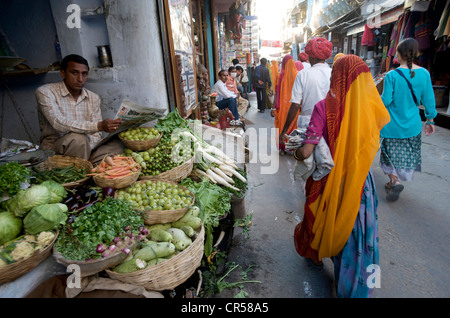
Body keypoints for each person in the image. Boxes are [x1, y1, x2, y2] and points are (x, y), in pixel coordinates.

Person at [293, 55, 391, 298]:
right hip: (361, 184)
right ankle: (359, 287)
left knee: (327, 222)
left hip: (330, 182)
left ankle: (318, 258)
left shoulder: (323, 107)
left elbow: (307, 150)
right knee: (360, 238)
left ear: (336, 76)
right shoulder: (369, 108)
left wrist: (295, 151)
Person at [36, 54, 123, 165]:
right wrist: (99, 126)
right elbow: (57, 122)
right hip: (56, 149)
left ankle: (85, 164)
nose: (80, 79)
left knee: (117, 144)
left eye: (84, 74)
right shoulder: (46, 92)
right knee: (78, 139)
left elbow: (96, 135)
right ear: (63, 73)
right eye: (74, 73)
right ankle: (82, 172)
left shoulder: (93, 98)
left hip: (85, 147)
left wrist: (87, 148)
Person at [379, 37, 437, 202]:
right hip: (412, 126)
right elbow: (429, 100)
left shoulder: (392, 75)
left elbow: (386, 101)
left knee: (388, 155)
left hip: (391, 126)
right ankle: (396, 180)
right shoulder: (424, 74)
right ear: (416, 53)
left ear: (398, 54)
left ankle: (393, 180)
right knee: (405, 156)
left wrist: (372, 101)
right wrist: (430, 120)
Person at [279, 37, 333, 145]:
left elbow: (295, 105)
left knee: (306, 158)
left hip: (308, 123)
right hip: (329, 123)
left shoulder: (303, 74)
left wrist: (284, 130)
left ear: (311, 56)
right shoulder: (333, 73)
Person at [271, 55, 300, 155]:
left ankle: (282, 148)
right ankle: (294, 147)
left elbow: (277, 92)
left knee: (282, 126)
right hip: (294, 106)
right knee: (294, 127)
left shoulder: (281, 75)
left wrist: (274, 106)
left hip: (283, 107)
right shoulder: (298, 74)